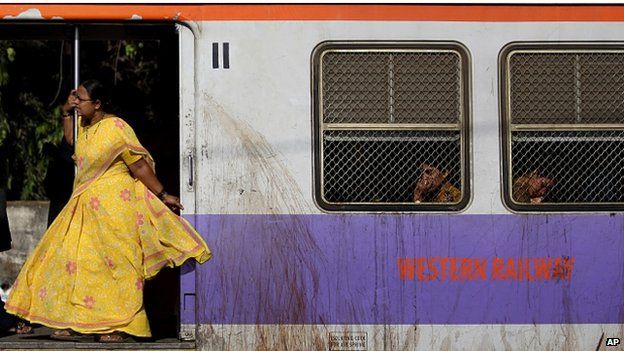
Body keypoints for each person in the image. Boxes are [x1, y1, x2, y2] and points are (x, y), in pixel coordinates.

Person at [5, 80, 211, 342]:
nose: (77, 102)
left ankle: (117, 326)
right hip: (84, 209)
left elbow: (138, 167)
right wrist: (66, 112)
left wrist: (162, 194)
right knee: (72, 263)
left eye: (81, 99)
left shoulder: (116, 127)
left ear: (98, 104)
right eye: (75, 98)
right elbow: (71, 141)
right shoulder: (85, 127)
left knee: (117, 267)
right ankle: (71, 320)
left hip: (115, 209)